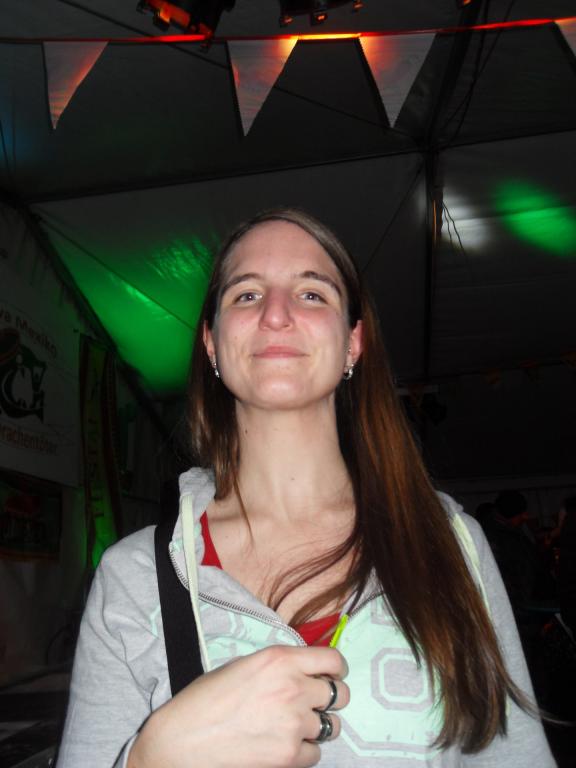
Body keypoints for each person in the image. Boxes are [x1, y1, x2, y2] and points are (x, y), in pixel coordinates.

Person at [56, 209, 556, 768]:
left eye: (312, 294)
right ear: (212, 343)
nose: (275, 314)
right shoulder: (132, 576)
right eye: (246, 295)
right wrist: (148, 760)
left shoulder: (450, 541)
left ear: (353, 342)